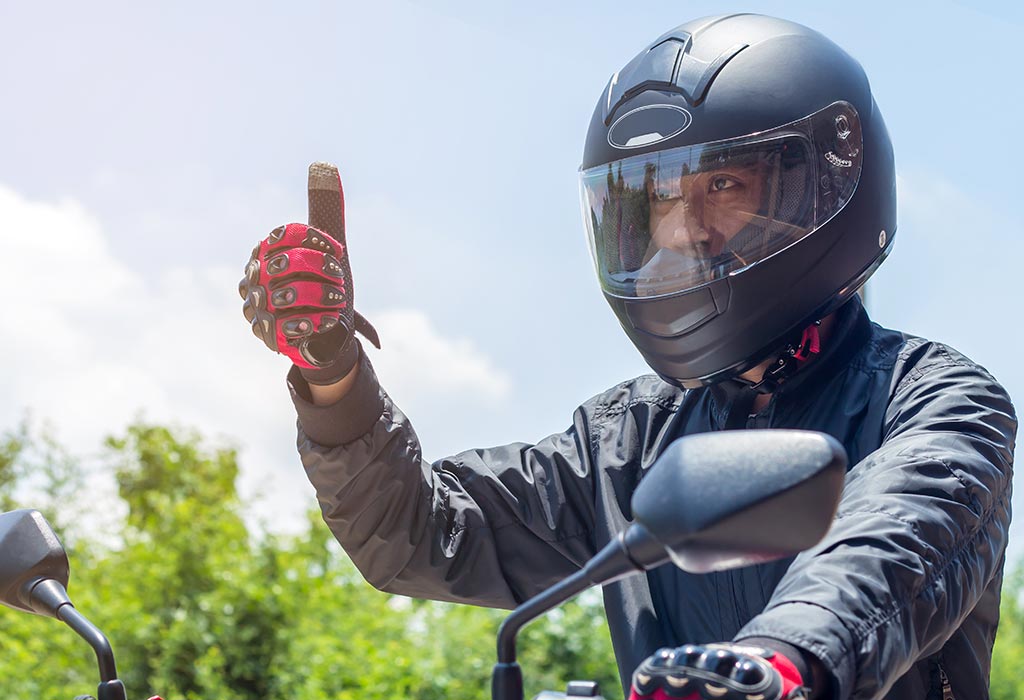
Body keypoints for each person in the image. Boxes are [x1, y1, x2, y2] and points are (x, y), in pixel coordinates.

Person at [237, 14, 1016, 700]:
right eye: (657, 203)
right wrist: (331, 369)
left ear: (829, 178)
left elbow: (895, 538)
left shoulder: (936, 400)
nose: (681, 232)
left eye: (723, 183)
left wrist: (781, 662)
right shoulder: (631, 438)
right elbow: (419, 533)